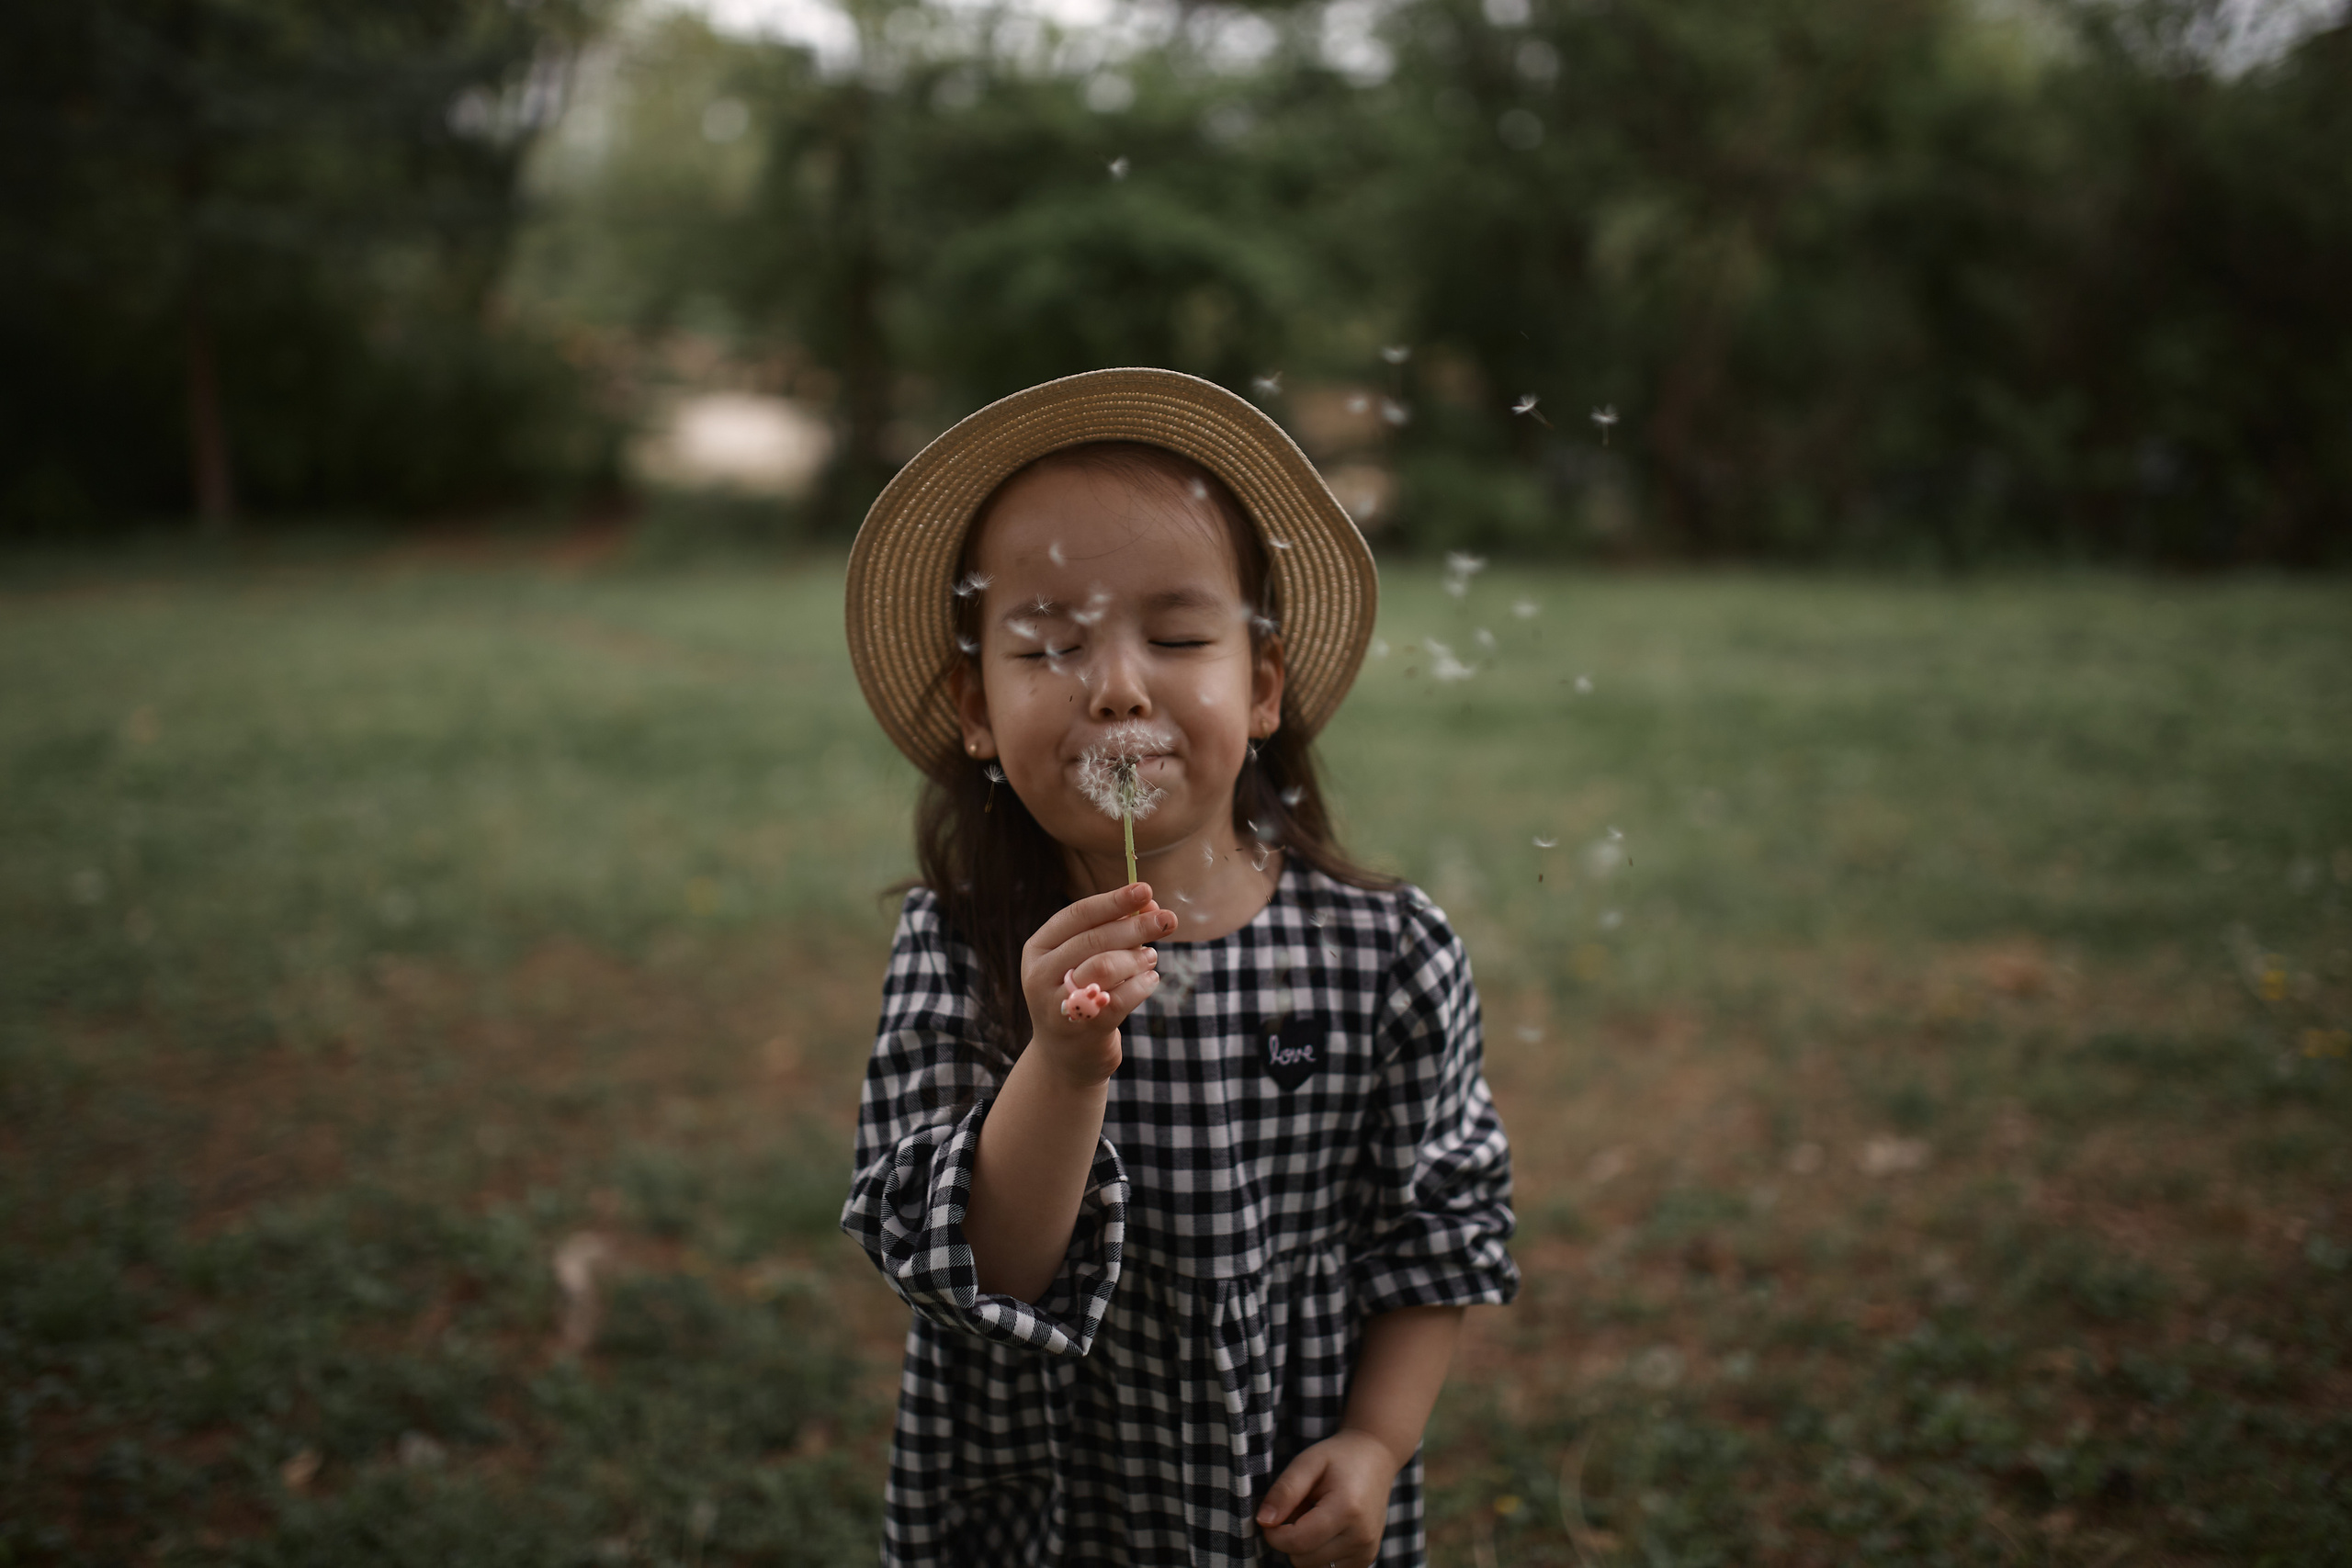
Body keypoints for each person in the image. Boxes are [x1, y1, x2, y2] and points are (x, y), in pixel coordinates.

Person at [840, 368, 1518, 1568]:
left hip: (1282, 1494)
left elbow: (1436, 1230)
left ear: (1259, 688)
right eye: (1047, 644)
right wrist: (1061, 1062)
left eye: (1177, 635)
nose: (1115, 686)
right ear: (976, 709)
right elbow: (980, 1270)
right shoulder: (958, 954)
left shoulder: (1387, 956)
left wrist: (1373, 1443)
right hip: (1042, 1504)